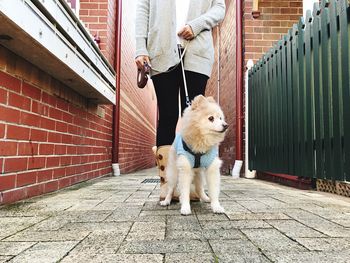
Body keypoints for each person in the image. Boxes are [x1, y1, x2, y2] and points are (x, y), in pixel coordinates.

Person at [135, 0, 226, 200]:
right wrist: (140, 48)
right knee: (167, 115)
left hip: (197, 53)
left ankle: (194, 186)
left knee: (196, 120)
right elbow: (143, 8)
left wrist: (197, 25)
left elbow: (219, 8)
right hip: (161, 51)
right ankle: (167, 185)